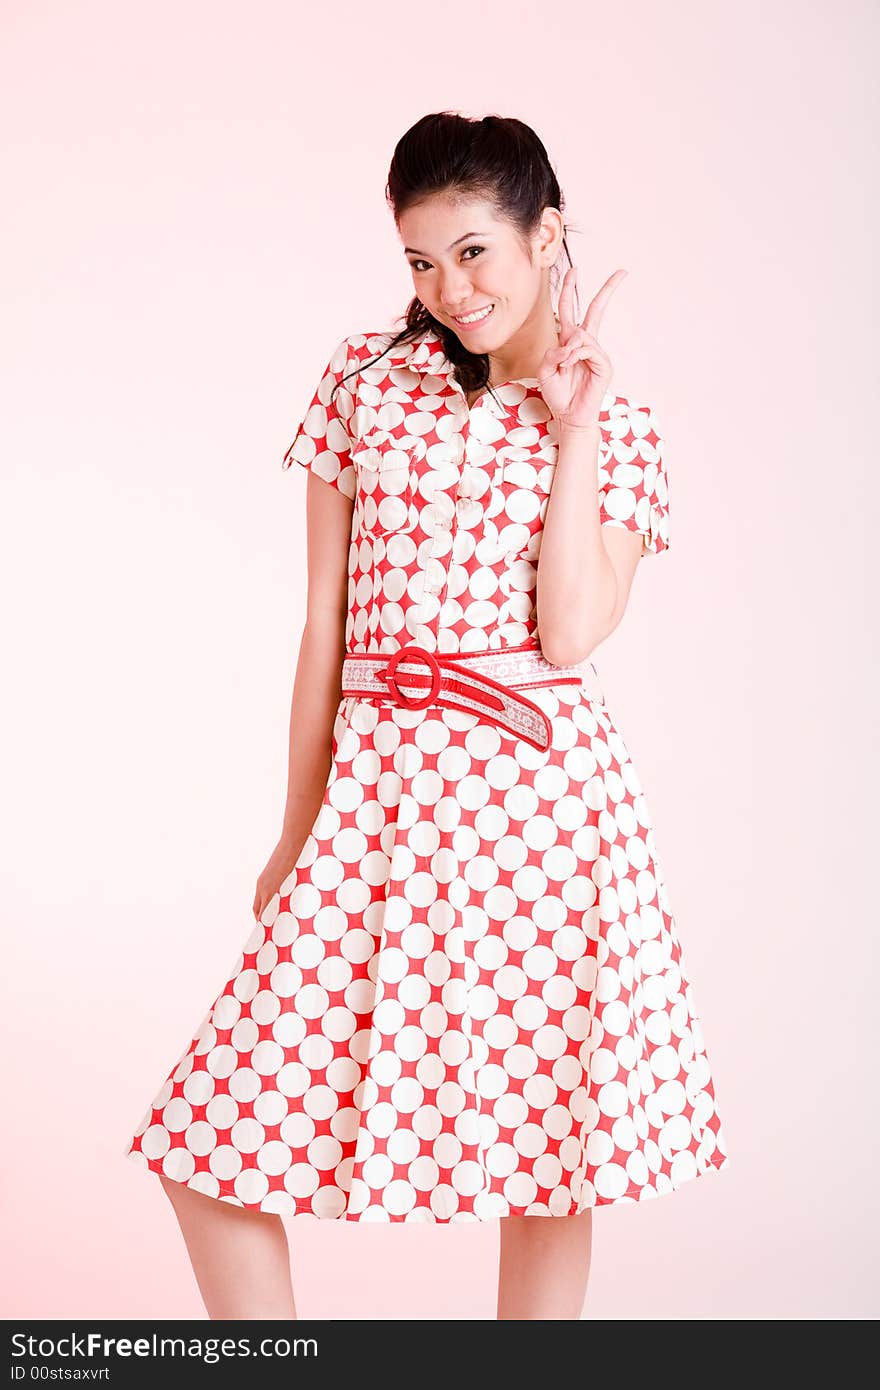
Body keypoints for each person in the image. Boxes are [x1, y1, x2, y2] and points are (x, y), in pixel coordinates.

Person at [123, 111, 729, 1321]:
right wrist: (296, 830)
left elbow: (567, 632)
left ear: (544, 235)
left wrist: (574, 424)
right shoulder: (362, 380)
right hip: (380, 800)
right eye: (418, 260)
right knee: (212, 1134)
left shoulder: (624, 430)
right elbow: (321, 624)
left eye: (473, 253)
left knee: (550, 1157)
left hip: (543, 817)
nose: (447, 290)